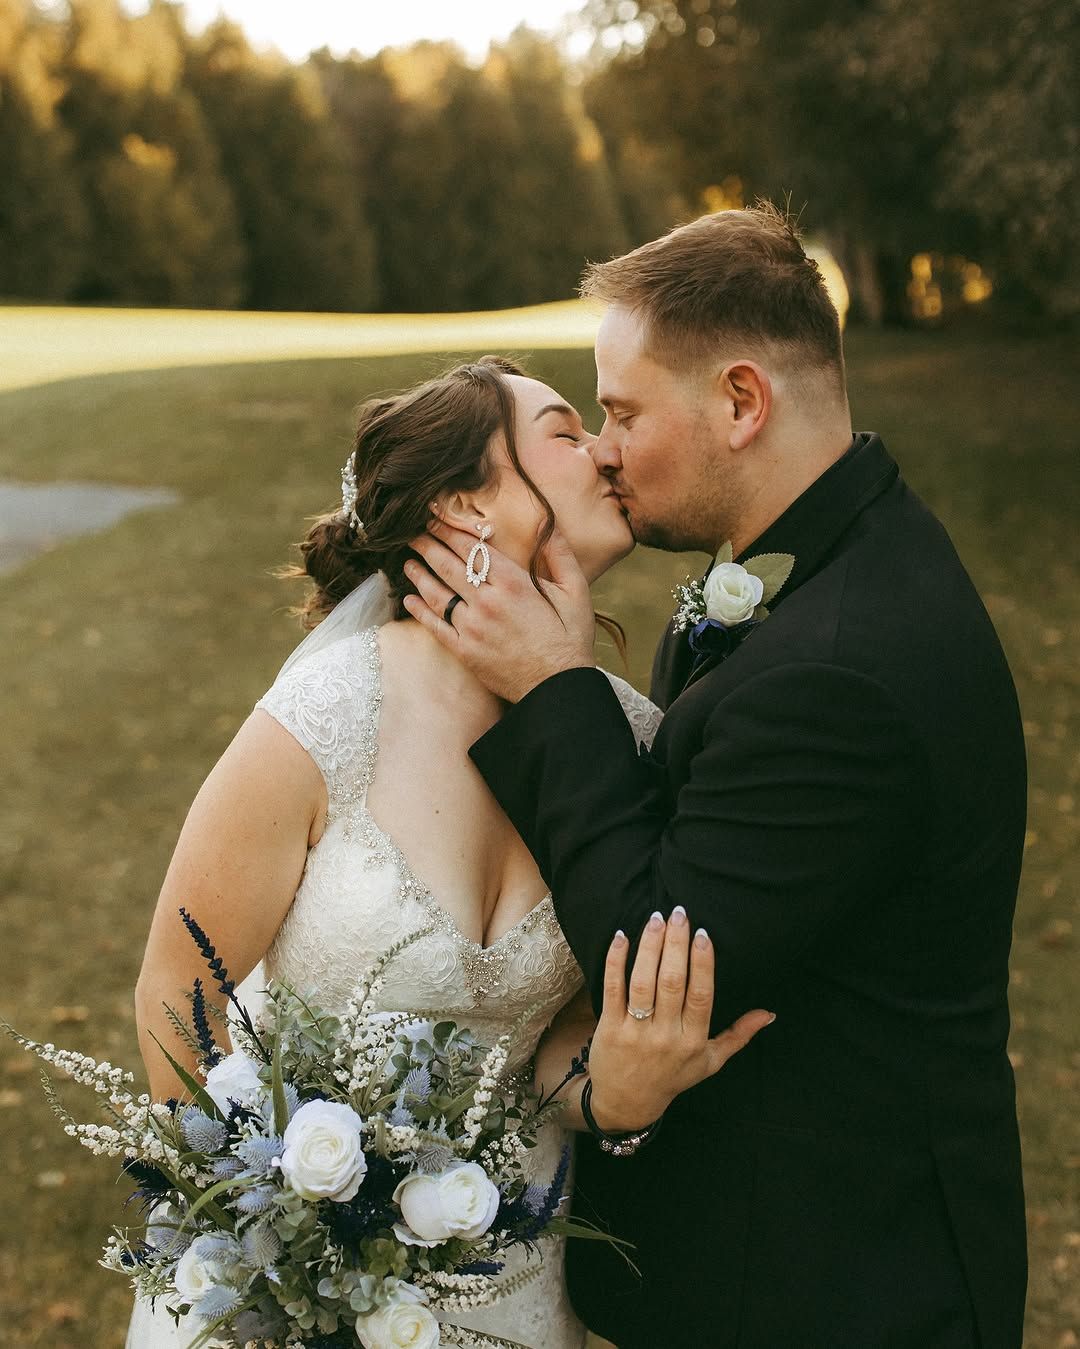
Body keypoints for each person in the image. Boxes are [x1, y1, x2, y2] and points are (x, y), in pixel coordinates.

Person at [403, 205, 1029, 1348]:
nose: (601, 447)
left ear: (742, 401)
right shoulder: (816, 558)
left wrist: (555, 687)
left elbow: (658, 955)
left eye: (623, 411)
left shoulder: (844, 672)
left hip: (838, 1288)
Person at [128, 356, 771, 1349]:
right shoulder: (328, 717)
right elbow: (180, 993)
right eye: (564, 431)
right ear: (464, 500)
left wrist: (616, 1090)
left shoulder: (633, 745)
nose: (605, 449)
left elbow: (555, 1040)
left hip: (503, 1278)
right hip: (286, 1289)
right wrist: (278, 1237)